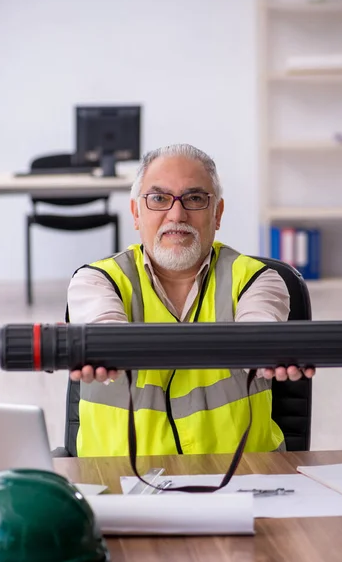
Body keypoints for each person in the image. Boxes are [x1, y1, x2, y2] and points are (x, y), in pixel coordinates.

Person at [67, 143, 314, 457]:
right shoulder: (96, 280)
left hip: (246, 481)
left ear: (217, 213)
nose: (177, 214)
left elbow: (260, 335)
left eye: (195, 198)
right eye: (158, 198)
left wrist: (271, 352)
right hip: (118, 485)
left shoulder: (257, 278)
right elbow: (104, 333)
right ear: (136, 213)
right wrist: (101, 351)